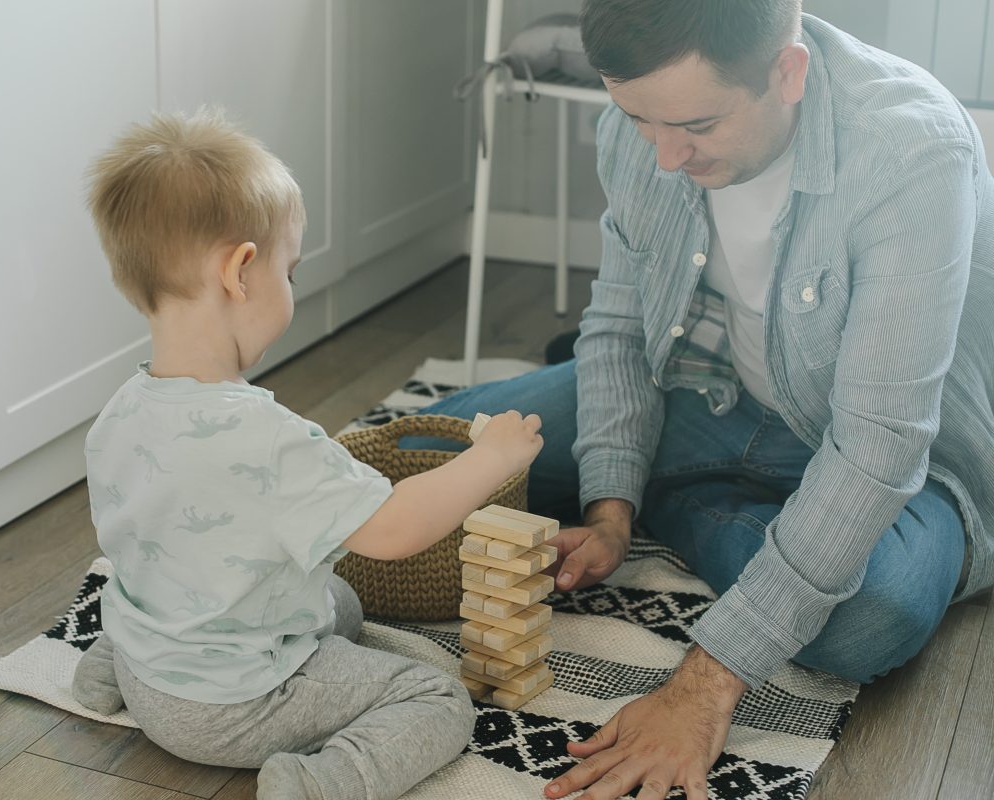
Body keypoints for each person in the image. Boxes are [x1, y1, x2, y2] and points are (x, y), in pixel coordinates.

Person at [414, 2, 994, 798]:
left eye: (697, 125)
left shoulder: (910, 148)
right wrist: (609, 508)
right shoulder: (652, 123)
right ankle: (671, 497)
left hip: (888, 457)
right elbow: (618, 325)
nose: (663, 157)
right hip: (699, 393)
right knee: (426, 460)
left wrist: (707, 682)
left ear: (786, 73)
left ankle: (679, 498)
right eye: (637, 120)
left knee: (869, 620)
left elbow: (880, 443)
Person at [69, 110, 544, 800]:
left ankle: (107, 663)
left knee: (334, 603)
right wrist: (491, 459)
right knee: (436, 700)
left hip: (151, 674)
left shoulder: (119, 413)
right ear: (241, 271)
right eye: (288, 271)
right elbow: (392, 530)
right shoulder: (265, 439)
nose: (289, 287)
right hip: (234, 706)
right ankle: (317, 785)